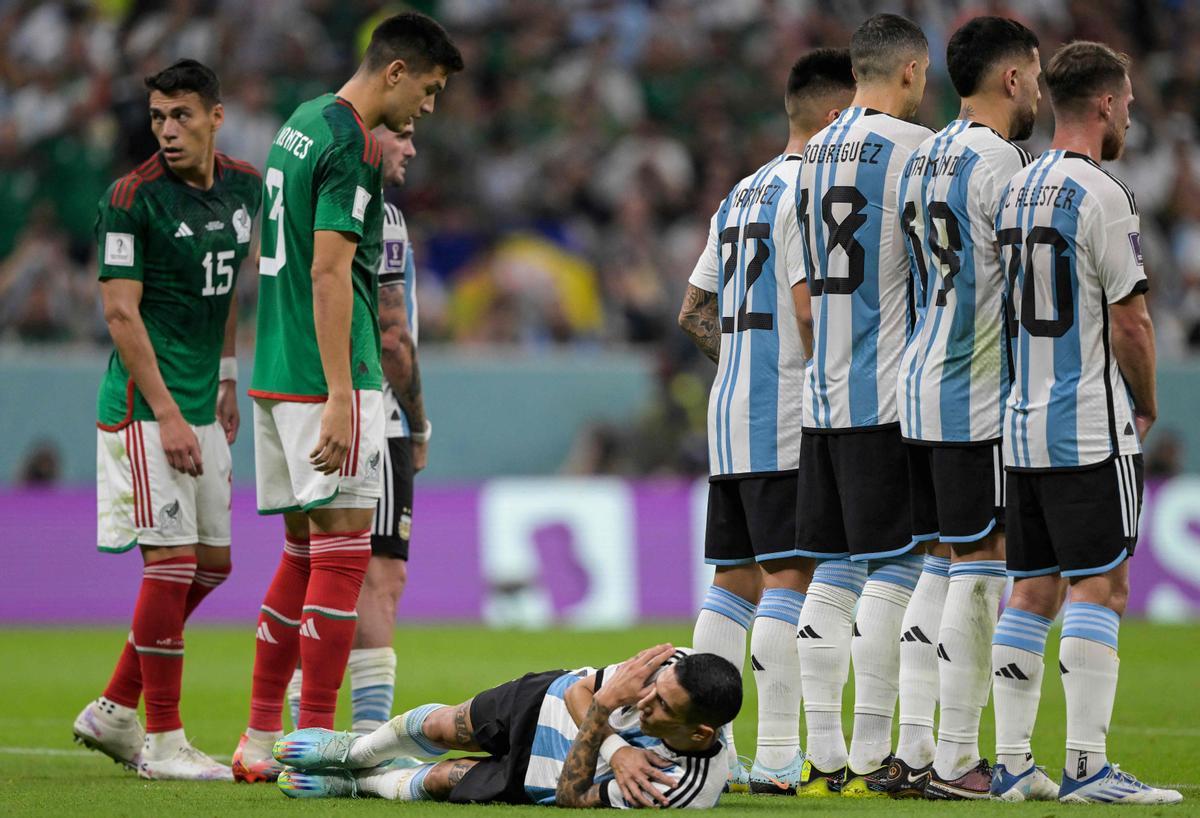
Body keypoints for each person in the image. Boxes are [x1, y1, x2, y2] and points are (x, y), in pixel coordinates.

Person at [232, 12, 463, 782]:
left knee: (300, 556)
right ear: (395, 72)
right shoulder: (355, 145)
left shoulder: (300, 122)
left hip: (274, 365)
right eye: (428, 90)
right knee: (341, 562)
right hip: (330, 376)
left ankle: (262, 738)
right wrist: (341, 393)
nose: (428, 109)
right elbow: (330, 273)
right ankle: (316, 753)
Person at [991, 41, 1181, 805]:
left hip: (1020, 424)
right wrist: (1149, 398)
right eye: (1128, 100)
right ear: (1104, 105)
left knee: (1030, 590)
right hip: (1087, 423)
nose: (1131, 111)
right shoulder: (1103, 194)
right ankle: (1087, 768)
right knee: (1101, 586)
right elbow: (1130, 322)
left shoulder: (1014, 190)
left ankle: (1008, 765)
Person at [73, 59, 262, 781]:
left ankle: (116, 708)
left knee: (214, 567)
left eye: (181, 115)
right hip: (144, 412)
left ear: (216, 116)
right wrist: (167, 414)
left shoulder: (243, 189)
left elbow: (226, 292)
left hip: (199, 403)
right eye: (157, 117)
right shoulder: (131, 199)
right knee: (171, 562)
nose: (167, 130)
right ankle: (163, 741)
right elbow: (120, 313)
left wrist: (224, 376)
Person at [677, 48, 854, 795]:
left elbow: (692, 313)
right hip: (787, 413)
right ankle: (780, 755)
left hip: (730, 413)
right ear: (834, 115)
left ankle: (708, 748)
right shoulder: (811, 189)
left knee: (732, 581)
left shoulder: (740, 193)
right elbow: (811, 310)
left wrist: (744, 352)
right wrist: (821, 377)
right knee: (791, 576)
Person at [887, 17, 1044, 800]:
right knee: (982, 566)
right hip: (975, 391)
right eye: (1037, 77)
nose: (1040, 93)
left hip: (916, 386)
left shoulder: (925, 155)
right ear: (1012, 79)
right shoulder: (1004, 162)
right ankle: (955, 761)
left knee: (937, 564)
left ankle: (912, 750)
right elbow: (1025, 289)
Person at [791, 14, 932, 797]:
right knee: (900, 565)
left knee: (834, 569)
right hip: (891, 392)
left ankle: (824, 758)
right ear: (910, 71)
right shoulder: (919, 150)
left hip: (826, 396)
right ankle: (880, 754)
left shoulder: (812, 155)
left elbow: (809, 299)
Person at [286, 121, 429, 736]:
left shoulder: (310, 202)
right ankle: (365, 738)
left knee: (313, 563)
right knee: (379, 576)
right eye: (403, 133)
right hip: (375, 410)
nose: (411, 148)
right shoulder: (382, 217)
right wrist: (417, 422)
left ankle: (291, 728)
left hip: (304, 398)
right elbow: (392, 336)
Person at [272, 645, 741, 809]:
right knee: (439, 726)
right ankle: (352, 753)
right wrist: (617, 750)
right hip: (543, 701)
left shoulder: (681, 789)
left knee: (440, 779)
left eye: (661, 707)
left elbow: (572, 797)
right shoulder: (671, 665)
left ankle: (360, 786)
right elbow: (579, 690)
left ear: (699, 734)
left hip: (545, 777)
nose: (644, 701)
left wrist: (602, 717)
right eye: (653, 690)